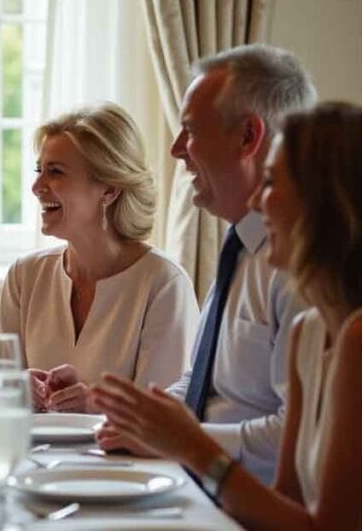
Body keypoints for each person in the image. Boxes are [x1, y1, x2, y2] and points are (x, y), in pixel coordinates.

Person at [92, 102, 362, 527]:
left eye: (271, 182)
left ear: (324, 200)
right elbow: (285, 507)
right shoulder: (308, 332)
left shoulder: (357, 338)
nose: (257, 200)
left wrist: (192, 446)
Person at [94, 44, 316, 484]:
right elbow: (201, 384)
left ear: (247, 138)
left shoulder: (301, 265)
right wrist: (138, 416)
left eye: (190, 130)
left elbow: (299, 439)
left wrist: (182, 440)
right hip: (202, 481)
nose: (177, 150)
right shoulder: (240, 245)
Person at [0, 103, 198, 413]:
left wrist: (95, 404)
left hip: (123, 461)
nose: (37, 187)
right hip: (32, 457)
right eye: (40, 170)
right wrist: (15, 388)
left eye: (55, 172)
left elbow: (164, 419)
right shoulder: (25, 275)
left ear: (109, 190)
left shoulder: (164, 283)